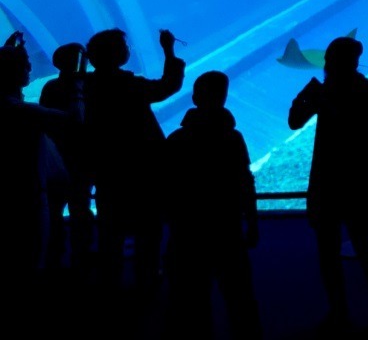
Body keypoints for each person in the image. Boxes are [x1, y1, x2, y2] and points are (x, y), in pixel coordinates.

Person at [289, 35, 368, 330]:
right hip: (333, 179)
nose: (328, 67)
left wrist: (325, 102)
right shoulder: (327, 90)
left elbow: (357, 129)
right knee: (333, 249)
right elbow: (294, 121)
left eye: (332, 61)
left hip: (349, 178)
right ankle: (342, 312)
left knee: (364, 247)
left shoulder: (366, 89)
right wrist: (306, 98)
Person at [84, 26, 184, 289]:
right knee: (148, 227)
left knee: (111, 229)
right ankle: (147, 278)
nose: (128, 51)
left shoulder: (88, 87)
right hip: (142, 169)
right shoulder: (127, 84)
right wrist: (169, 51)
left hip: (108, 169)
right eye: (123, 47)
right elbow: (167, 86)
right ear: (117, 54)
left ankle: (110, 282)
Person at [164, 71, 261, 339]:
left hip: (186, 229)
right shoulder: (233, 138)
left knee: (190, 298)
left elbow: (166, 186)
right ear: (224, 98)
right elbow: (245, 182)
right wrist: (252, 223)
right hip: (226, 227)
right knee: (239, 294)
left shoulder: (176, 139)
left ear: (195, 97)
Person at [0, 32, 75, 288]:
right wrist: (76, 83)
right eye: (24, 66)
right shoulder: (19, 111)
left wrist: (9, 49)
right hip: (29, 197)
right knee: (31, 261)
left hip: (23, 193)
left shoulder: (12, 105)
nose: (30, 68)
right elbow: (72, 120)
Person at [38, 42, 90, 270]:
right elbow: (77, 120)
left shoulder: (51, 87)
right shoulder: (82, 86)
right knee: (76, 208)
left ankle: (58, 259)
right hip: (75, 158)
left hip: (63, 156)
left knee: (61, 209)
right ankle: (77, 258)